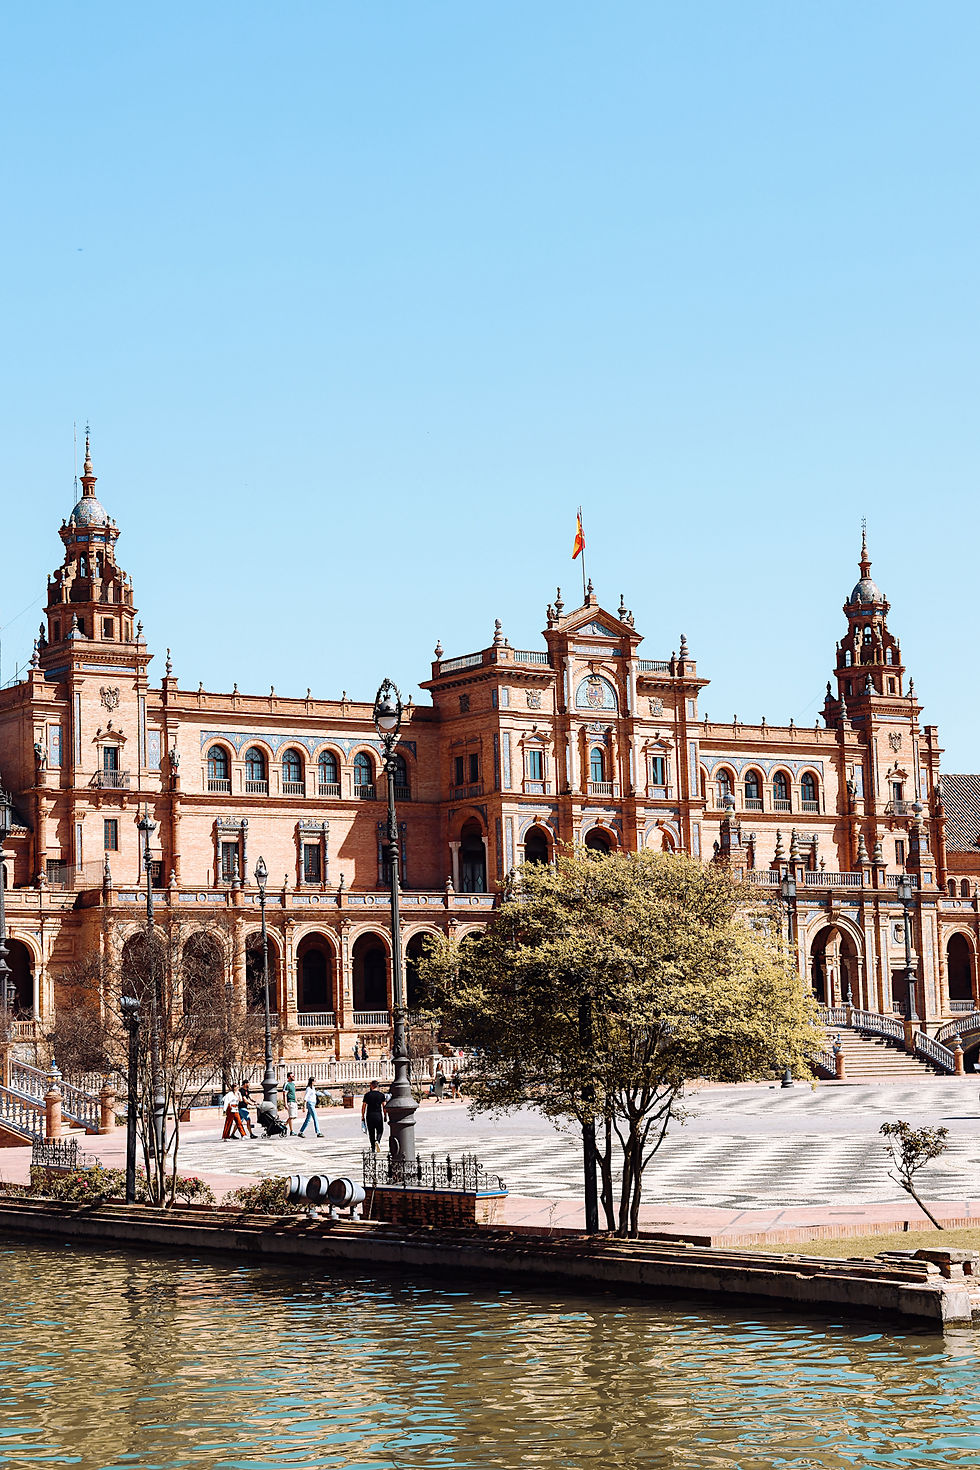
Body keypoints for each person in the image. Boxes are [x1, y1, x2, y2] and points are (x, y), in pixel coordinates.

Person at [361, 1079, 387, 1152]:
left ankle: (373, 1147)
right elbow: (384, 1106)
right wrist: (385, 1115)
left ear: (371, 1086)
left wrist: (362, 1116)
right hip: (378, 1114)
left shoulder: (367, 1095)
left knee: (371, 1132)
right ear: (377, 1086)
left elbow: (364, 1107)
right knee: (380, 1130)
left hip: (369, 1115)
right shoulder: (381, 1095)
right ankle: (378, 1140)